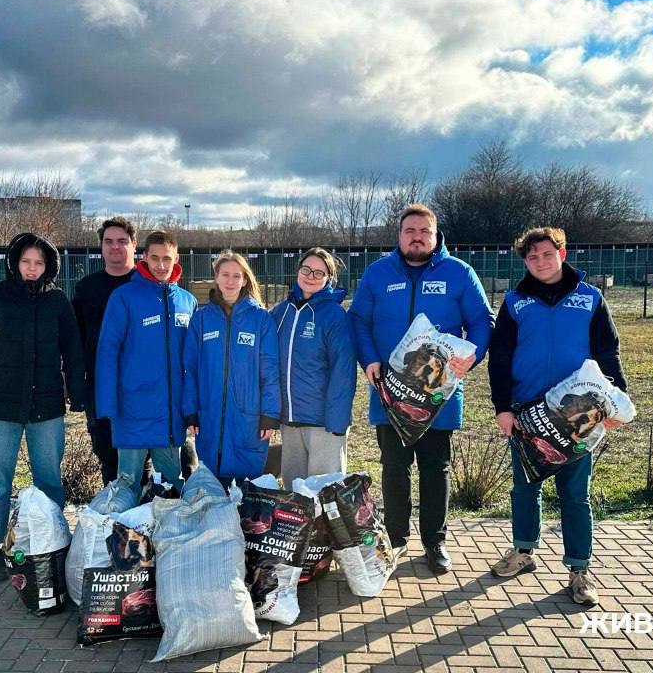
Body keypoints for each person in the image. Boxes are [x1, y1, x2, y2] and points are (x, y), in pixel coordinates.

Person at [349, 203, 492, 575]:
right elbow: (359, 320)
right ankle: (396, 539)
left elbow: (481, 320)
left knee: (435, 468)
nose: (417, 237)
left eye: (423, 232)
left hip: (437, 396)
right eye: (410, 231)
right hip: (390, 392)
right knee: (394, 467)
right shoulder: (379, 273)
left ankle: (435, 541)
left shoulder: (459, 273)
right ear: (400, 236)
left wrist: (471, 356)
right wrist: (369, 361)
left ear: (435, 235)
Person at [487, 226, 627, 607]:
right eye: (532, 257)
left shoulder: (590, 298)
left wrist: (615, 400)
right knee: (525, 487)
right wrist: (502, 406)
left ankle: (579, 570)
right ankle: (523, 551)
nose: (540, 262)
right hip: (527, 413)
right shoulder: (515, 302)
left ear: (562, 254)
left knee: (574, 494)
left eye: (547, 254)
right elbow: (499, 356)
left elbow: (607, 351)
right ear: (525, 262)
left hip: (578, 413)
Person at [0, 232, 86, 582]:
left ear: (48, 266)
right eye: (26, 262)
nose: (32, 269)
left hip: (46, 406)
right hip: (0, 407)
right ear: (15, 263)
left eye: (39, 263)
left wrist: (78, 392)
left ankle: (52, 541)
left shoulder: (57, 302)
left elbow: (73, 351)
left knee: (49, 478)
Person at [95, 231, 197, 492]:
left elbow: (193, 360)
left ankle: (167, 533)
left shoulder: (187, 301)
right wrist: (107, 405)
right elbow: (108, 352)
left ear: (176, 259)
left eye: (167, 259)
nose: (161, 265)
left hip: (170, 414)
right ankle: (123, 532)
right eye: (155, 258)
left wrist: (192, 407)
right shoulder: (124, 297)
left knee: (172, 486)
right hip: (132, 410)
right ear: (144, 258)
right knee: (128, 484)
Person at [183, 250, 281, 486]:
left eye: (236, 276)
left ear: (245, 280)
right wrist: (191, 410)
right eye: (225, 274)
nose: (230, 281)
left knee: (248, 492)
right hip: (210, 415)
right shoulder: (202, 319)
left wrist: (270, 414)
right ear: (216, 277)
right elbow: (190, 369)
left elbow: (270, 371)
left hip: (249, 418)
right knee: (214, 487)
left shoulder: (260, 319)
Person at [268, 247, 356, 488]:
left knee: (324, 493)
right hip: (290, 420)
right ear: (298, 271)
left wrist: (337, 422)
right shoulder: (281, 312)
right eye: (306, 269)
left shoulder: (334, 316)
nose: (311, 276)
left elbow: (343, 371)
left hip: (323, 423)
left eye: (319, 272)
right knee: (293, 495)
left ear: (329, 278)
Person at [72, 217, 138, 485]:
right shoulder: (86, 288)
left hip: (140, 390)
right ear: (101, 247)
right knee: (108, 459)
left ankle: (142, 524)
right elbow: (76, 341)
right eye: (109, 241)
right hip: (100, 389)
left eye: (122, 241)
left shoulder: (146, 287)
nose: (115, 247)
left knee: (140, 460)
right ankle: (114, 523)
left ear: (134, 246)